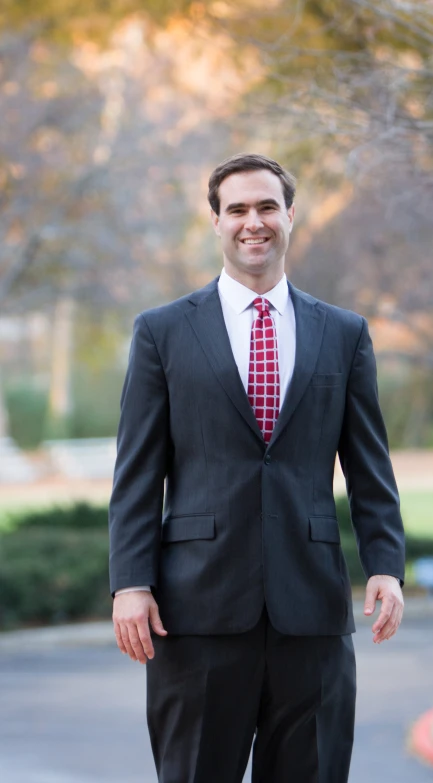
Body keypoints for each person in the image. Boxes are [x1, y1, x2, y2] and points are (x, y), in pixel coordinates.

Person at [109, 152, 405, 783]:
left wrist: (386, 564)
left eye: (267, 207)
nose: (254, 222)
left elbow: (369, 464)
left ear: (290, 216)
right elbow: (137, 473)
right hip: (195, 612)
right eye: (237, 209)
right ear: (216, 222)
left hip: (312, 613)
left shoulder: (344, 333)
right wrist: (130, 583)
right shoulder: (161, 332)